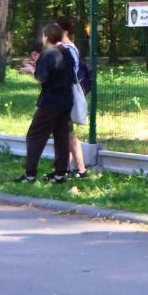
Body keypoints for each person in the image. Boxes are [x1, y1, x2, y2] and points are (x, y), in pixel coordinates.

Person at [15, 23, 75, 184]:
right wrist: (37, 65)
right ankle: (60, 174)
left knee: (35, 135)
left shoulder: (48, 53)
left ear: (47, 37)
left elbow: (41, 78)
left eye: (43, 35)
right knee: (61, 136)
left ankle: (30, 174)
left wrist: (31, 70)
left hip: (50, 102)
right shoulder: (66, 52)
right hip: (66, 100)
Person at [55, 16, 89, 179]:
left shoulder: (68, 49)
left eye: (56, 28)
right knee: (65, 132)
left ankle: (81, 169)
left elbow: (67, 73)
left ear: (64, 31)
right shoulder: (66, 48)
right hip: (62, 94)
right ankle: (67, 168)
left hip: (65, 94)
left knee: (68, 133)